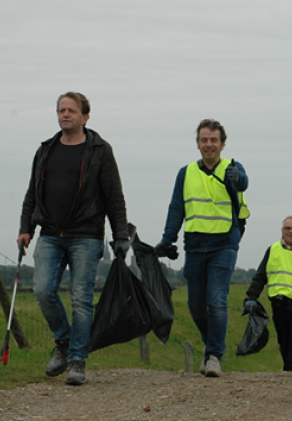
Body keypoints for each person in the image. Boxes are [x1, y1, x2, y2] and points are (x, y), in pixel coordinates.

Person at [17, 92, 130, 385]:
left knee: (81, 299)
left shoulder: (100, 151)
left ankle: (78, 361)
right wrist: (25, 227)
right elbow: (32, 194)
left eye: (71, 110)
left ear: (85, 117)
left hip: (86, 236)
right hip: (50, 235)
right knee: (42, 290)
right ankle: (65, 344)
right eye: (61, 110)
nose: (65, 114)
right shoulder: (45, 150)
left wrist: (120, 236)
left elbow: (114, 197)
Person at [155, 118, 248, 378]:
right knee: (196, 305)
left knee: (216, 300)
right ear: (197, 143)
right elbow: (177, 208)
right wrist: (168, 238)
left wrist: (237, 177)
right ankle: (211, 345)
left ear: (223, 143)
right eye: (204, 140)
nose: (209, 144)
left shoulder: (232, 167)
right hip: (195, 245)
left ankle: (215, 356)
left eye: (214, 140)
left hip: (224, 243)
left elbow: (243, 184)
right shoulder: (186, 173)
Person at [244, 216, 292, 372]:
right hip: (279, 302)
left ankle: (291, 370)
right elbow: (261, 275)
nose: (291, 232)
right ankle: (289, 369)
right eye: (287, 228)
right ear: (282, 231)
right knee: (283, 338)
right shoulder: (272, 250)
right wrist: (252, 296)